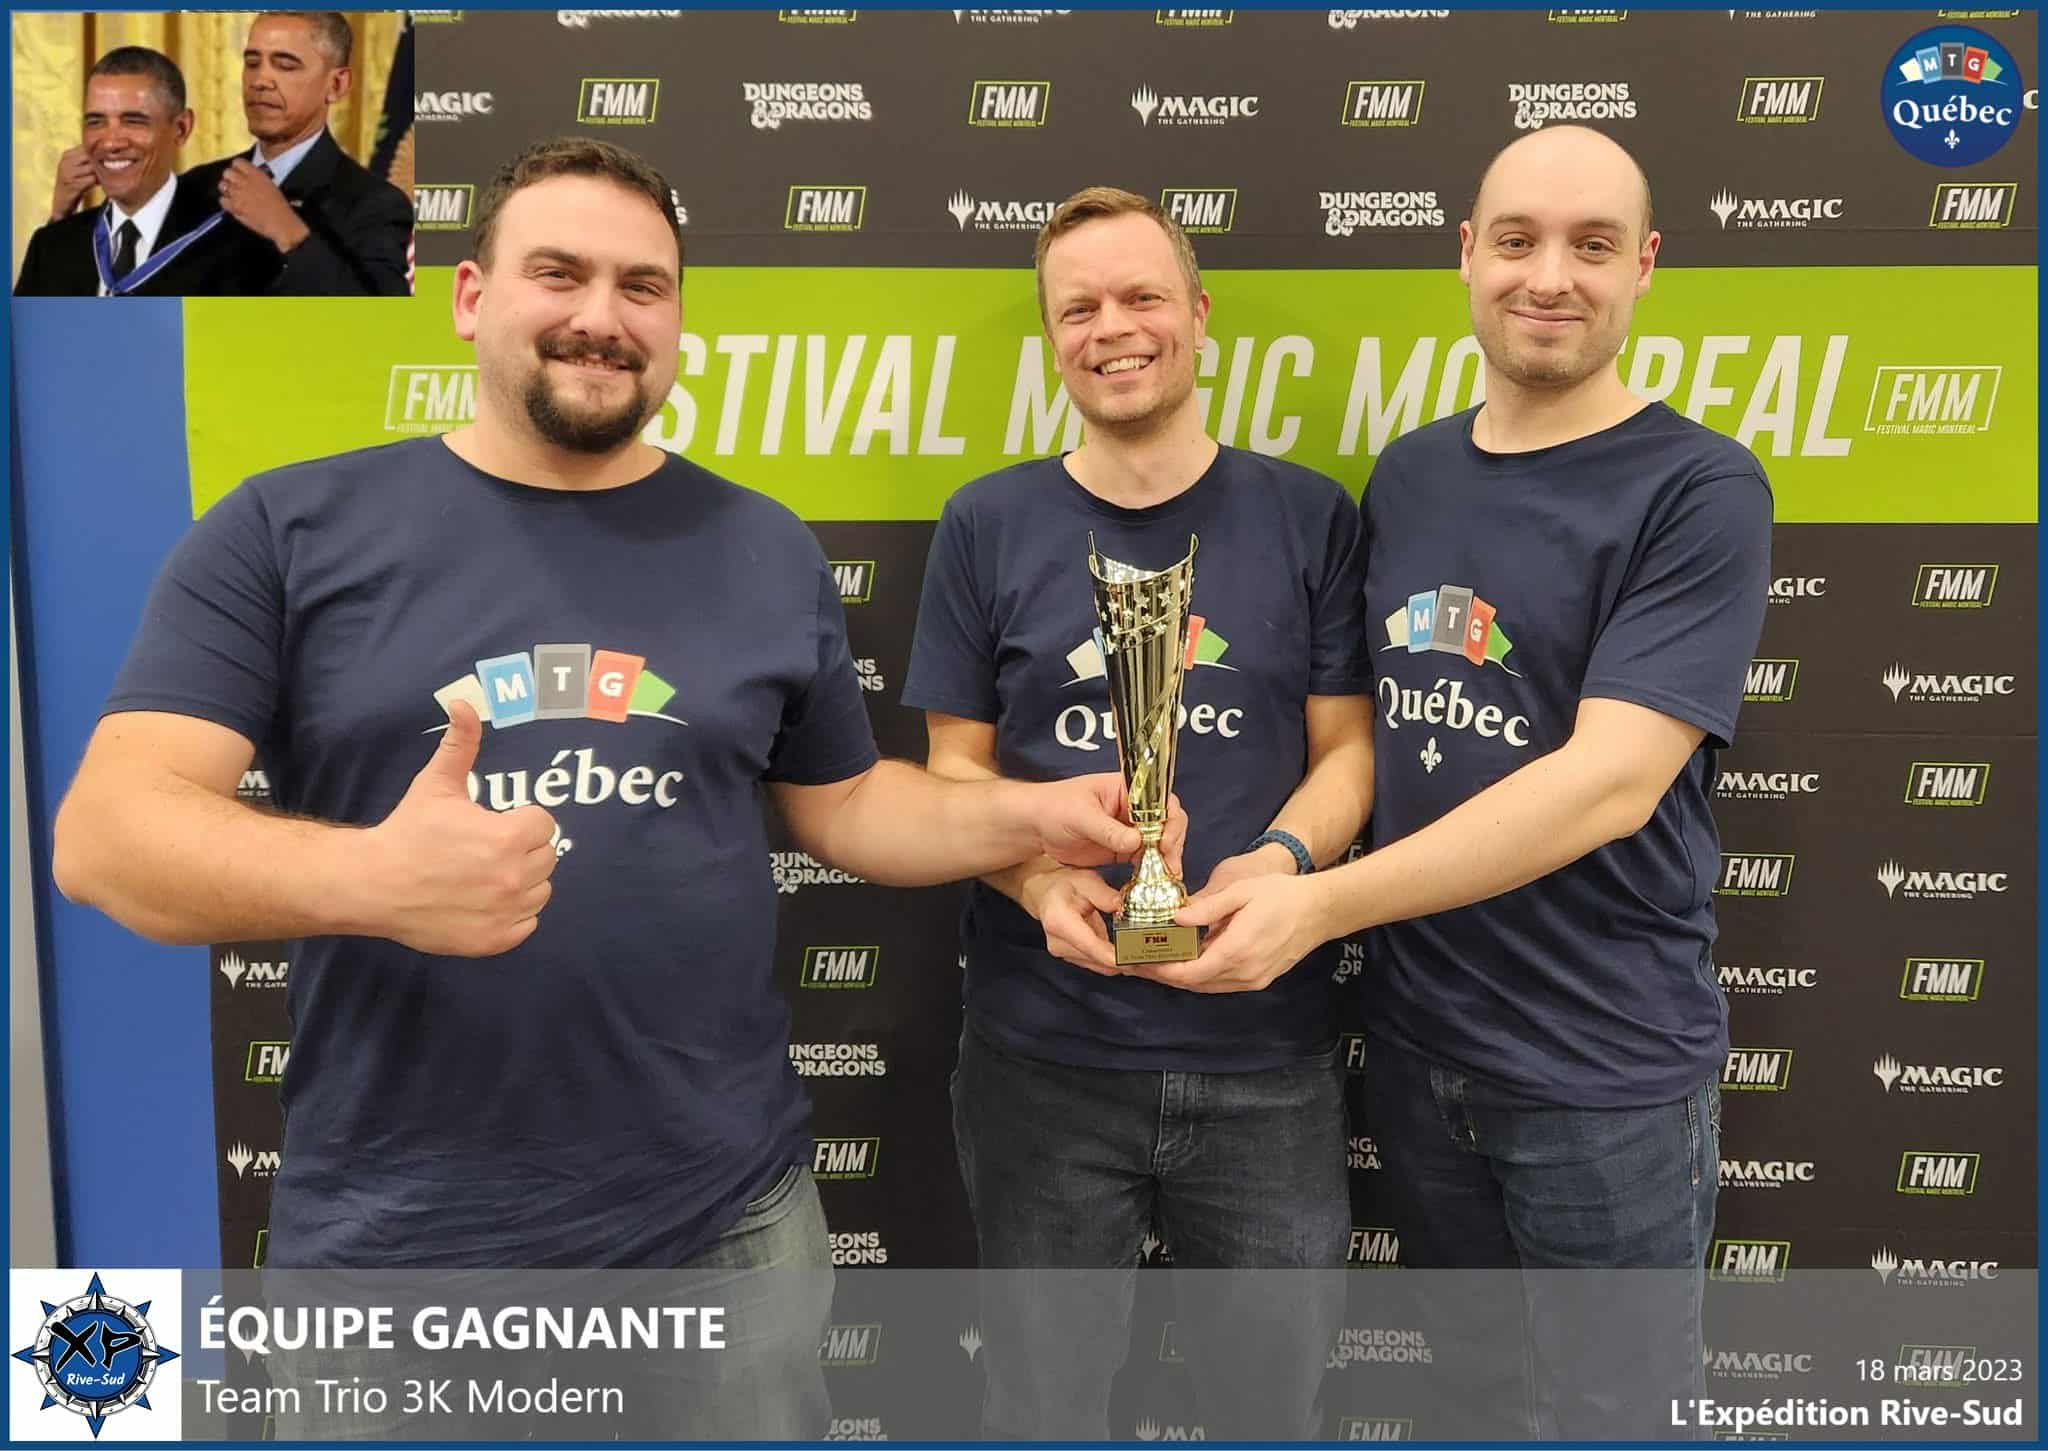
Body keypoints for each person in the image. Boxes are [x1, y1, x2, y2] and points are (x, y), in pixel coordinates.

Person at [50, 137, 1143, 1437]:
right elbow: (106, 836)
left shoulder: (761, 544)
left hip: (727, 1232)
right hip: (400, 1250)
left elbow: (848, 807)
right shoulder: (287, 529)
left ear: (676, 322)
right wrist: (371, 878)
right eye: (558, 273)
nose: (601, 316)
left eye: (643, 286)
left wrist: (1030, 814)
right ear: (470, 297)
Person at [1164, 127, 1774, 1438]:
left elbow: (1608, 783)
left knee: (1613, 1417)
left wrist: (1322, 905)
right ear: (1466, 254)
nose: (1548, 276)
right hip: (1422, 1051)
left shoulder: (1698, 486)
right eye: (1516, 239)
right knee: (1473, 1404)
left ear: (1644, 265)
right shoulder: (1412, 473)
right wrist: (1280, 855)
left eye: (1591, 245)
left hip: (1600, 1071)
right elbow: (1374, 732)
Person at [902, 186, 1373, 1440]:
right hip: (1041, 1058)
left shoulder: (1307, 515)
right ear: (1053, 337)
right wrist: (1036, 879)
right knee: (1038, 1409)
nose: (1111, 327)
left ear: (1198, 315)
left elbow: (1348, 751)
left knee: (1272, 1412)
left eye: (1141, 296)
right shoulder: (986, 522)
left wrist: (1281, 861)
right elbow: (952, 775)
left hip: (1266, 1057)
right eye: (1078, 308)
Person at [182, 10, 412, 296]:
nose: (260, 80)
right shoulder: (194, 187)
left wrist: (289, 232)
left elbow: (379, 317)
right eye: (252, 63)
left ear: (336, 85)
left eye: (285, 65)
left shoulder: (376, 204)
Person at [14, 48, 235, 297]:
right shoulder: (51, 247)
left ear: (181, 128)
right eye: (96, 122)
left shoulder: (232, 243)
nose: (111, 143)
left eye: (133, 121)